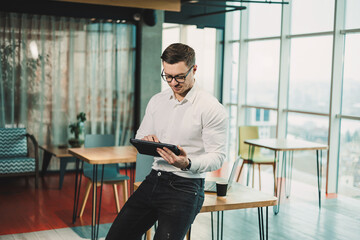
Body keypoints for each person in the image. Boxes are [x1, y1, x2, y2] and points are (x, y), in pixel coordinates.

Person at [106, 43, 228, 240]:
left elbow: (218, 157)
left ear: (194, 69)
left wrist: (188, 163)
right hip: (154, 179)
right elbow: (141, 134)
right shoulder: (157, 101)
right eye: (168, 76)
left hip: (186, 187)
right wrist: (146, 139)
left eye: (180, 76)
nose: (173, 82)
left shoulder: (211, 108)